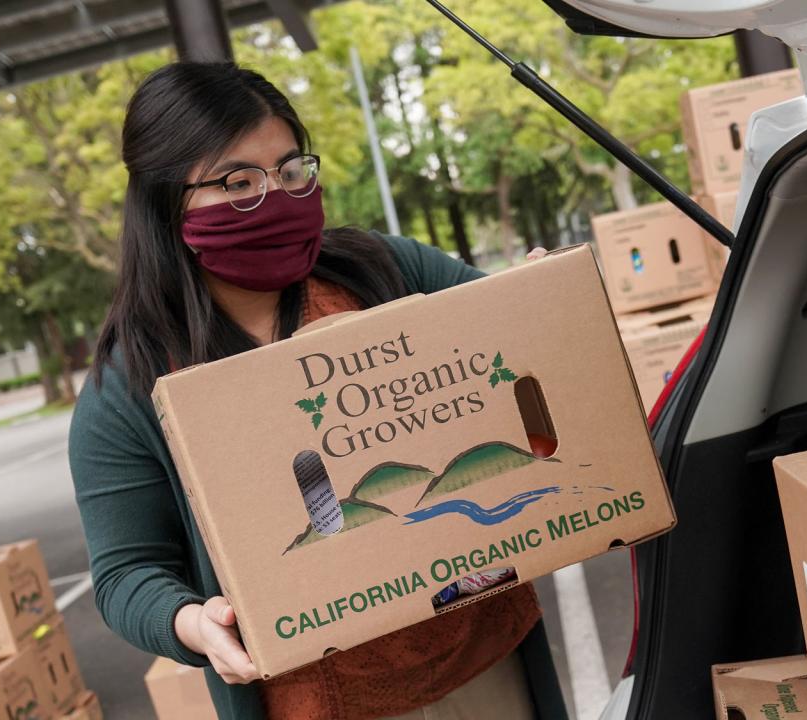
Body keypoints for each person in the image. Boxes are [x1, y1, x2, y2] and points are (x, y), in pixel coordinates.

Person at [69, 62, 563, 720]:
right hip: (321, 702)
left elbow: (510, 337)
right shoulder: (126, 390)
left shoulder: (383, 270)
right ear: (165, 201)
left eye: (292, 170)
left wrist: (540, 302)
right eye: (239, 181)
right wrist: (192, 621)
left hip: (487, 662)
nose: (275, 197)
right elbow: (127, 574)